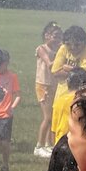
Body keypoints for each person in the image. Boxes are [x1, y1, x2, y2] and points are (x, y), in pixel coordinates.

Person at [35, 22, 63, 157]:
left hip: (54, 85)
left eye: (60, 36)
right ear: (46, 36)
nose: (58, 39)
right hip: (43, 85)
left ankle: (48, 144)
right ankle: (39, 145)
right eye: (55, 36)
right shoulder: (41, 48)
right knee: (47, 117)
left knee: (53, 115)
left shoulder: (59, 49)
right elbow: (50, 64)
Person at [51, 25, 86, 101]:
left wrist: (67, 68)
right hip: (61, 94)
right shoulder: (63, 48)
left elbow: (84, 74)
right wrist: (76, 72)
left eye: (77, 45)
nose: (73, 47)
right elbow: (55, 72)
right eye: (68, 44)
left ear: (84, 43)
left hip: (79, 96)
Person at [51, 68, 86, 144]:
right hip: (74, 144)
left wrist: (54, 147)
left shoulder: (59, 101)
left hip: (59, 143)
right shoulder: (81, 101)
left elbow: (53, 129)